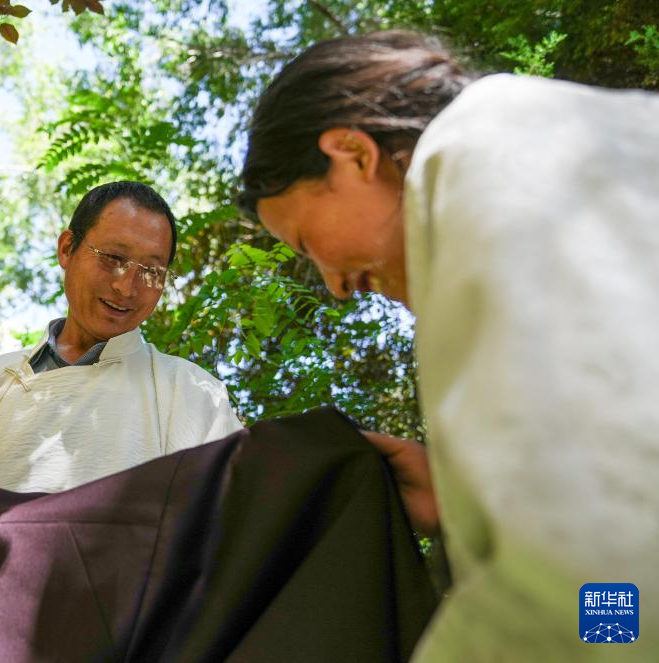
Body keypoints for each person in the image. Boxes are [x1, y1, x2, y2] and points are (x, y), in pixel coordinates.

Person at [239, 31, 659, 660]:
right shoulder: (539, 142)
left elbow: (608, 571)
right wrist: (458, 497)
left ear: (352, 154)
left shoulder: (492, 159)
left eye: (305, 243)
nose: (334, 286)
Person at [0, 181, 243, 492]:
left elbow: (228, 519)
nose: (126, 287)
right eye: (113, 257)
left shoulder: (193, 394)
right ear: (67, 248)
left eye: (152, 271)